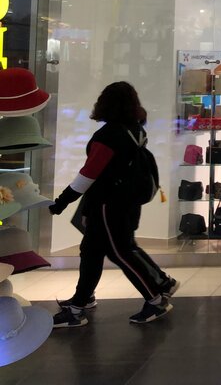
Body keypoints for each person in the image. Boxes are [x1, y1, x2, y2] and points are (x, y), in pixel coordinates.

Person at [49, 82, 177, 327]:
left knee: (120, 252)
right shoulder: (135, 130)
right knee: (92, 251)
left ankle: (155, 298)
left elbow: (88, 175)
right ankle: (80, 303)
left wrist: (61, 202)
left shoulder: (109, 136)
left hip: (108, 204)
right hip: (125, 201)